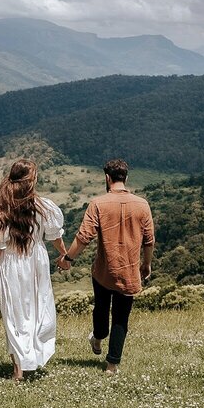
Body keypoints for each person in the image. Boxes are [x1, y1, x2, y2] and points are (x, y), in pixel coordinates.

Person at [57, 159, 154, 375]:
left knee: (101, 309)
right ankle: (112, 366)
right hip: (129, 270)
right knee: (121, 317)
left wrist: (68, 258)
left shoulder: (98, 204)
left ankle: (98, 338)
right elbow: (149, 240)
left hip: (103, 270)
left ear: (107, 178)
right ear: (125, 178)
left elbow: (84, 238)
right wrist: (146, 265)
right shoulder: (142, 204)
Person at [0, 159, 66, 381]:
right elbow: (55, 236)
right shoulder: (44, 206)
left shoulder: (2, 208)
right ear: (31, 181)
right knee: (37, 309)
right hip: (36, 262)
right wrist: (64, 256)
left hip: (10, 263)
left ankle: (18, 368)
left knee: (13, 315)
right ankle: (31, 359)